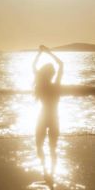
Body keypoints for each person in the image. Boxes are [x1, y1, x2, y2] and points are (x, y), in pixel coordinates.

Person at [32, 45, 63, 176]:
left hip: (42, 117)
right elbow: (61, 64)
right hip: (54, 118)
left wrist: (40, 53)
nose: (55, 72)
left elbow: (33, 65)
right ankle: (52, 172)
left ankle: (45, 170)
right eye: (53, 71)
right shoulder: (56, 85)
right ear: (52, 74)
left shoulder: (40, 85)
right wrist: (49, 52)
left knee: (39, 145)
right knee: (52, 148)